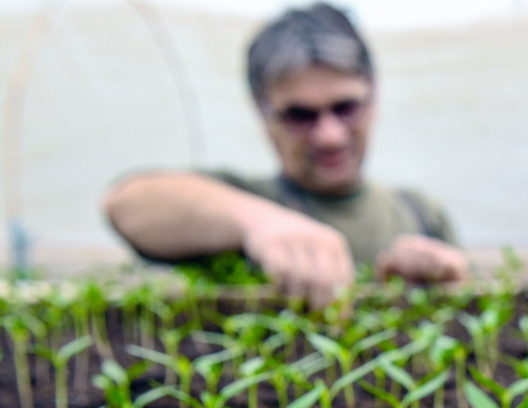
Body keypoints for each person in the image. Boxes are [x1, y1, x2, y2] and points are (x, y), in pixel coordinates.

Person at [104, 3, 468, 308]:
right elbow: (128, 202)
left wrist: (446, 277)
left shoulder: (419, 214)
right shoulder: (239, 203)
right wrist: (260, 224)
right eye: (300, 115)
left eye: (345, 108)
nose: (329, 135)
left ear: (374, 95)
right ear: (263, 115)